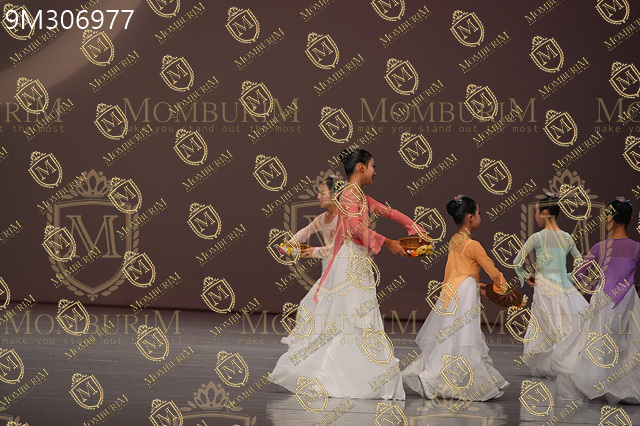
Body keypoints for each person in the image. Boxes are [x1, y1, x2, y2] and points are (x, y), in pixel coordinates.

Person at [271, 148, 427, 400]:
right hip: (350, 262)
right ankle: (340, 377)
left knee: (355, 316)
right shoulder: (349, 196)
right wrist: (389, 243)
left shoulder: (359, 196)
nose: (375, 171)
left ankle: (351, 375)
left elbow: (388, 212)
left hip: (356, 260)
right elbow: (355, 228)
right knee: (352, 316)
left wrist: (413, 226)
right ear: (361, 167)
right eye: (373, 166)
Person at [402, 195, 510, 401]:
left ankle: (437, 376)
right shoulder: (472, 244)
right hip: (465, 291)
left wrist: (478, 285)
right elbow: (491, 269)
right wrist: (503, 288)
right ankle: (432, 377)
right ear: (470, 217)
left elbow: (456, 270)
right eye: (478, 213)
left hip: (453, 289)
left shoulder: (454, 240)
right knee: (463, 337)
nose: (480, 216)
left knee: (451, 336)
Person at [552, 197, 640, 404]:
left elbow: (577, 276)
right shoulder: (637, 248)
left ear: (609, 218)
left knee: (597, 341)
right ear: (631, 219)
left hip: (603, 300)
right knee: (627, 343)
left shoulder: (601, 247)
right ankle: (622, 387)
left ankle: (596, 382)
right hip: (628, 300)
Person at [512, 193, 587, 378]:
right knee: (563, 324)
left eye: (536, 211)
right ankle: (563, 364)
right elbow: (581, 263)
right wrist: (569, 278)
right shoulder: (567, 237)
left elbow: (516, 262)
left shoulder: (537, 237)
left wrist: (526, 277)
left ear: (545, 213)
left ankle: (550, 366)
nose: (535, 214)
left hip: (544, 288)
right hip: (563, 288)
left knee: (546, 326)